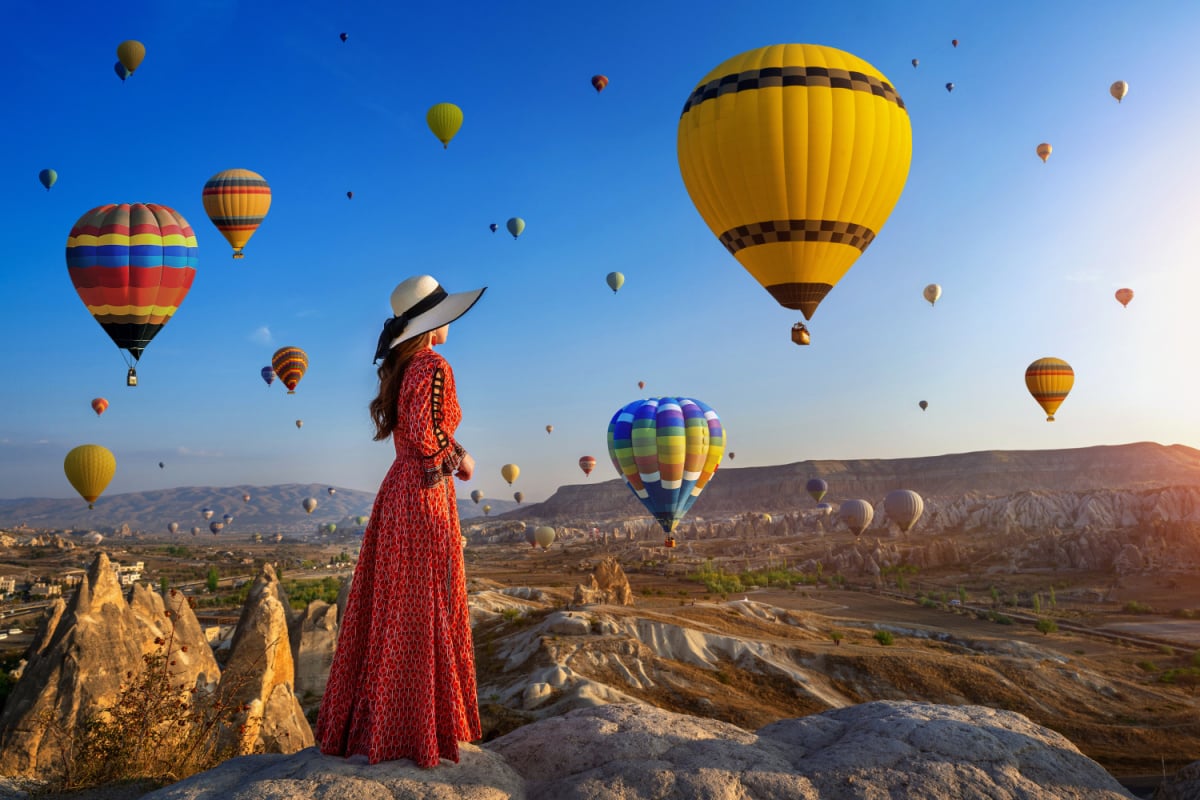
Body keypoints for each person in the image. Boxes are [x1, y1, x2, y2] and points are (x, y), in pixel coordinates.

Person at [316, 274, 485, 768]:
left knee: (395, 603)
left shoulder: (403, 365)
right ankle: (420, 732)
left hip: (399, 490)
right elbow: (424, 431)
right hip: (425, 491)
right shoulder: (434, 364)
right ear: (433, 322)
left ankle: (384, 726)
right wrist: (458, 460)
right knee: (425, 598)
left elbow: (412, 428)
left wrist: (446, 451)